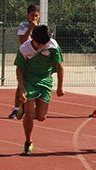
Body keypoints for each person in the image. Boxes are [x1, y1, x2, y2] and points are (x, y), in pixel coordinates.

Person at [14, 24, 64, 155]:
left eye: (45, 43)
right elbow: (19, 69)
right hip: (29, 81)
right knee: (30, 115)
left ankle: (24, 109)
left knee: (41, 117)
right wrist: (22, 88)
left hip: (45, 81)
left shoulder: (52, 46)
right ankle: (28, 142)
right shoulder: (24, 49)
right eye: (40, 44)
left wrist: (60, 87)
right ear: (33, 40)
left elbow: (60, 66)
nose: (43, 46)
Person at [9, 4, 40, 119]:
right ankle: (16, 109)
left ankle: (34, 109)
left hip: (37, 59)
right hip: (25, 57)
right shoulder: (23, 25)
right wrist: (31, 28)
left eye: (36, 16)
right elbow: (22, 41)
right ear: (28, 15)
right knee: (21, 83)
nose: (34, 18)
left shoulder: (42, 27)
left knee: (37, 83)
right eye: (32, 15)